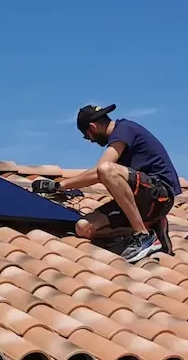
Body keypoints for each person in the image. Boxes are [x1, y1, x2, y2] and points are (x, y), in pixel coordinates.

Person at [37, 104, 180, 263]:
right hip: (142, 200)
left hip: (160, 195)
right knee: (83, 228)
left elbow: (100, 171)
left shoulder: (124, 130)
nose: (90, 141)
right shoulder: (121, 136)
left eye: (87, 136)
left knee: (107, 170)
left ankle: (143, 236)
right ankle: (152, 227)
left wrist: (59, 186)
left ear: (93, 127)